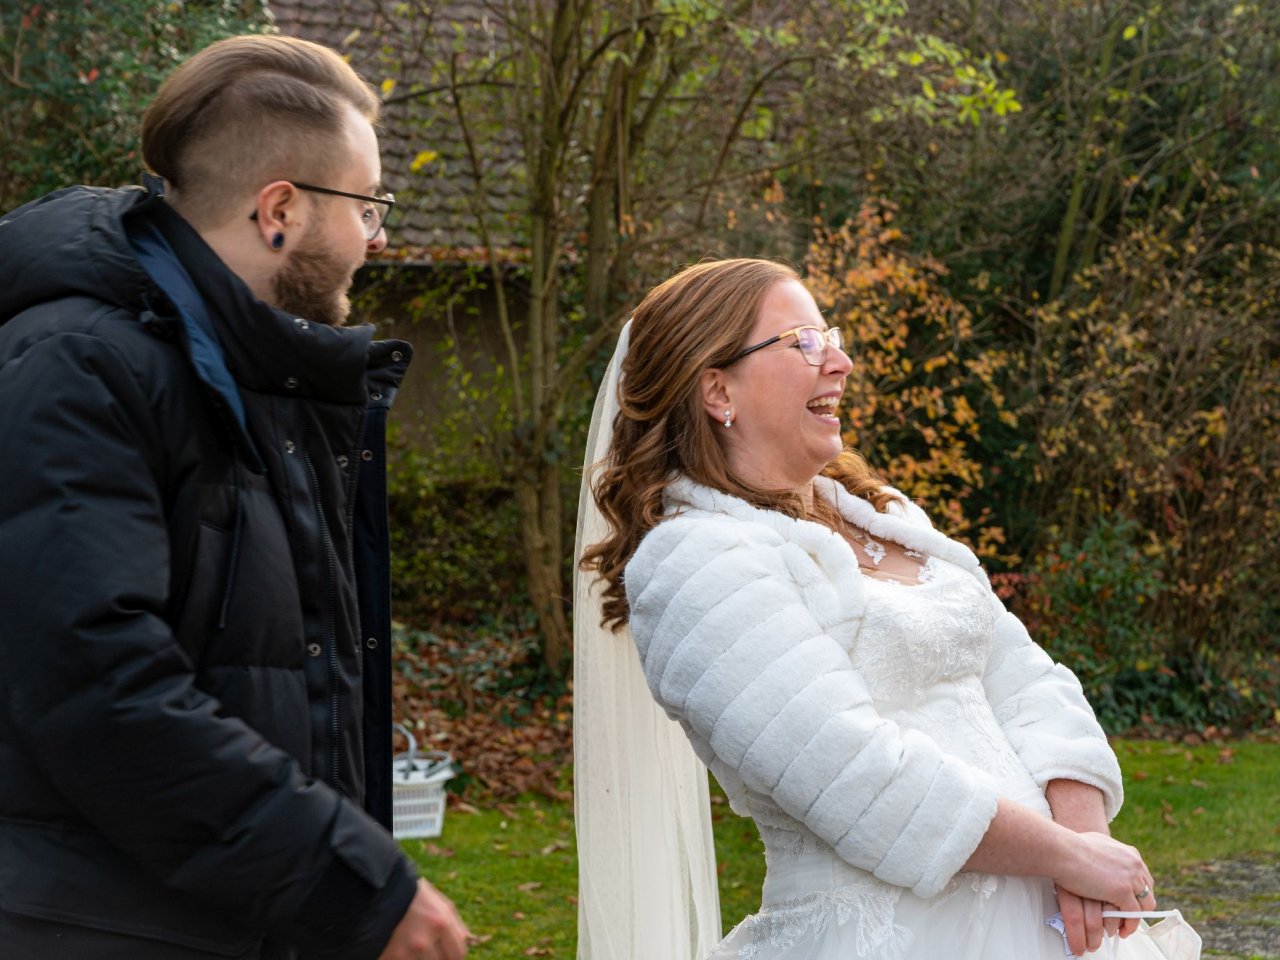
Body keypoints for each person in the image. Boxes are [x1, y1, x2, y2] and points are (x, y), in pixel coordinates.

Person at [0, 35, 468, 960]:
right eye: (367, 205)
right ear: (280, 209)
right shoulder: (79, 369)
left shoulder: (259, 378)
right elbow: (96, 686)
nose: (379, 237)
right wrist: (345, 884)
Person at [574, 258, 1165, 960]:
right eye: (804, 342)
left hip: (1056, 924)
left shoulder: (887, 514)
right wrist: (1063, 856)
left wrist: (1087, 841)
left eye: (831, 336)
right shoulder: (693, 561)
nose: (841, 362)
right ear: (717, 389)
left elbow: (1027, 679)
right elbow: (849, 771)